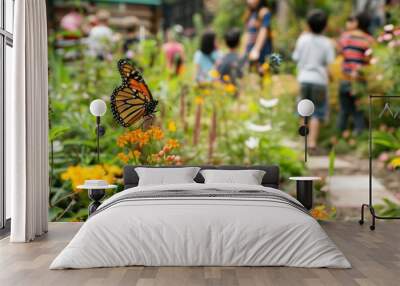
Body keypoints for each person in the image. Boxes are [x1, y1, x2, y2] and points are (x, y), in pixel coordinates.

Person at [292, 9, 335, 151]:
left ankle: (302, 141)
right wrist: (330, 77)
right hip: (319, 81)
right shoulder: (327, 43)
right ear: (325, 26)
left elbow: (296, 58)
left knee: (304, 111)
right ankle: (312, 143)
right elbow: (329, 63)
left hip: (304, 78)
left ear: (308, 25)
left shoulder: (302, 39)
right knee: (317, 112)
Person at [337, 13, 374, 135]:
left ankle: (338, 138)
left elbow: (340, 51)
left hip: (345, 78)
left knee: (344, 110)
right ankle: (360, 136)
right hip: (360, 80)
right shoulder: (369, 40)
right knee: (359, 110)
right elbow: (370, 60)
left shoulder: (346, 37)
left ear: (357, 22)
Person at [244, 0, 273, 72]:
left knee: (262, 76)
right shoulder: (251, 12)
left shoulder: (264, 12)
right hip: (250, 52)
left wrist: (256, 49)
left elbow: (263, 31)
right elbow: (248, 33)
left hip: (261, 53)